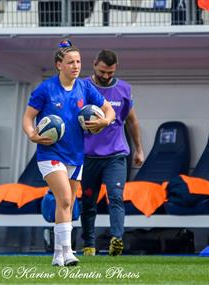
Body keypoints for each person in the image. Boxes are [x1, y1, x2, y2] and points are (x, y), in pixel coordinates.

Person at [22, 39, 115, 266]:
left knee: (69, 205)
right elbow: (27, 117)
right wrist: (32, 134)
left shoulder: (85, 88)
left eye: (78, 62)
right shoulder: (45, 89)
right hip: (50, 153)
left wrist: (104, 122)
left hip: (76, 155)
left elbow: (109, 110)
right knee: (64, 199)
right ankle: (69, 251)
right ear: (59, 65)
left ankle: (57, 256)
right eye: (71, 62)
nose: (76, 66)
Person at [81, 50, 144, 257]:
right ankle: (89, 244)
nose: (106, 76)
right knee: (88, 202)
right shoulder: (82, 87)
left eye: (110, 72)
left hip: (116, 155)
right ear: (94, 64)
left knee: (115, 196)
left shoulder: (124, 89)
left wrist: (139, 149)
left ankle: (116, 240)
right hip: (88, 157)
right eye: (102, 71)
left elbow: (131, 121)